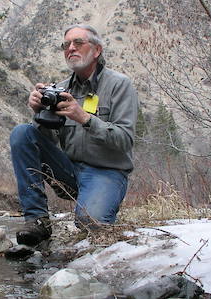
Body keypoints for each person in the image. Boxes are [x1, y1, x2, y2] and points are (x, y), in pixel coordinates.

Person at [9, 24, 139, 247]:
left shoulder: (119, 85)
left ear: (97, 50)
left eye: (78, 43)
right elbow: (42, 142)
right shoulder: (59, 90)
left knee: (90, 222)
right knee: (22, 133)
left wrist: (85, 118)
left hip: (106, 172)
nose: (71, 48)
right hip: (69, 171)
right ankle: (37, 220)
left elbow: (125, 140)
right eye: (66, 45)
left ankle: (98, 204)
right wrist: (38, 112)